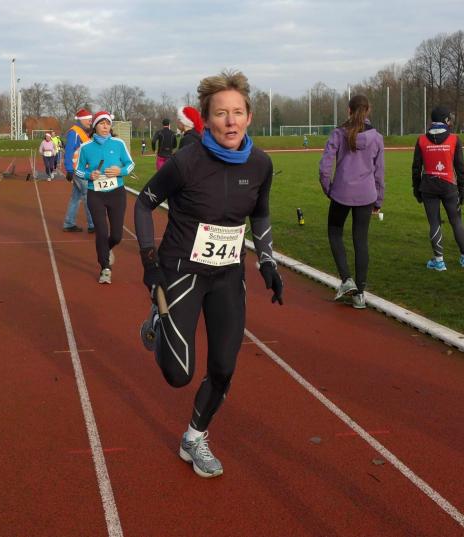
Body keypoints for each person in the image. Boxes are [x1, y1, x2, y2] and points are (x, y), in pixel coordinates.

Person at [134, 70, 283, 478]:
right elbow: (144, 204)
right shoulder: (187, 162)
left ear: (249, 116)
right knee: (178, 375)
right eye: (221, 114)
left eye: (238, 112)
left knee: (223, 367)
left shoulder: (260, 164)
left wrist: (267, 262)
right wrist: (150, 264)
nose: (230, 121)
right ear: (207, 119)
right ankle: (158, 320)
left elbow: (260, 214)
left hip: (228, 276)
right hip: (182, 271)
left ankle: (194, 438)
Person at [319, 94, 384, 309]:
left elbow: (325, 166)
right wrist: (378, 199)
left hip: (341, 193)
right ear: (368, 110)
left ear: (349, 110)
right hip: (367, 194)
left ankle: (347, 279)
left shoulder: (338, 133)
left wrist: (328, 188)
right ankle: (360, 295)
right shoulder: (376, 138)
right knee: (361, 241)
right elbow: (379, 172)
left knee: (334, 231)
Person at [74, 111, 134, 284]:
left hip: (117, 193)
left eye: (108, 123)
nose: (106, 126)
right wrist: (89, 175)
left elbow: (130, 164)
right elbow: (78, 170)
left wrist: (120, 171)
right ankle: (105, 268)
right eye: (102, 123)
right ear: (95, 127)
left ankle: (106, 250)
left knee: (116, 235)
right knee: (101, 232)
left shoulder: (119, 143)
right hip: (96, 194)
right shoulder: (86, 147)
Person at [412, 105, 464, 270]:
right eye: (449, 118)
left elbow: (416, 168)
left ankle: (439, 261)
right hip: (449, 187)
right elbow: (460, 168)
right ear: (445, 120)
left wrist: (416, 189)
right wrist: (462, 189)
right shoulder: (454, 139)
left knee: (434, 223)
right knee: (456, 221)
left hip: (428, 187)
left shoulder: (421, 140)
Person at [62, 108, 94, 233]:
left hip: (79, 169)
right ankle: (92, 224)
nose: (90, 122)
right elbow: (69, 151)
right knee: (88, 196)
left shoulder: (82, 132)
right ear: (82, 120)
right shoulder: (74, 132)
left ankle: (69, 223)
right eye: (88, 119)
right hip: (79, 170)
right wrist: (69, 169)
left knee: (75, 198)